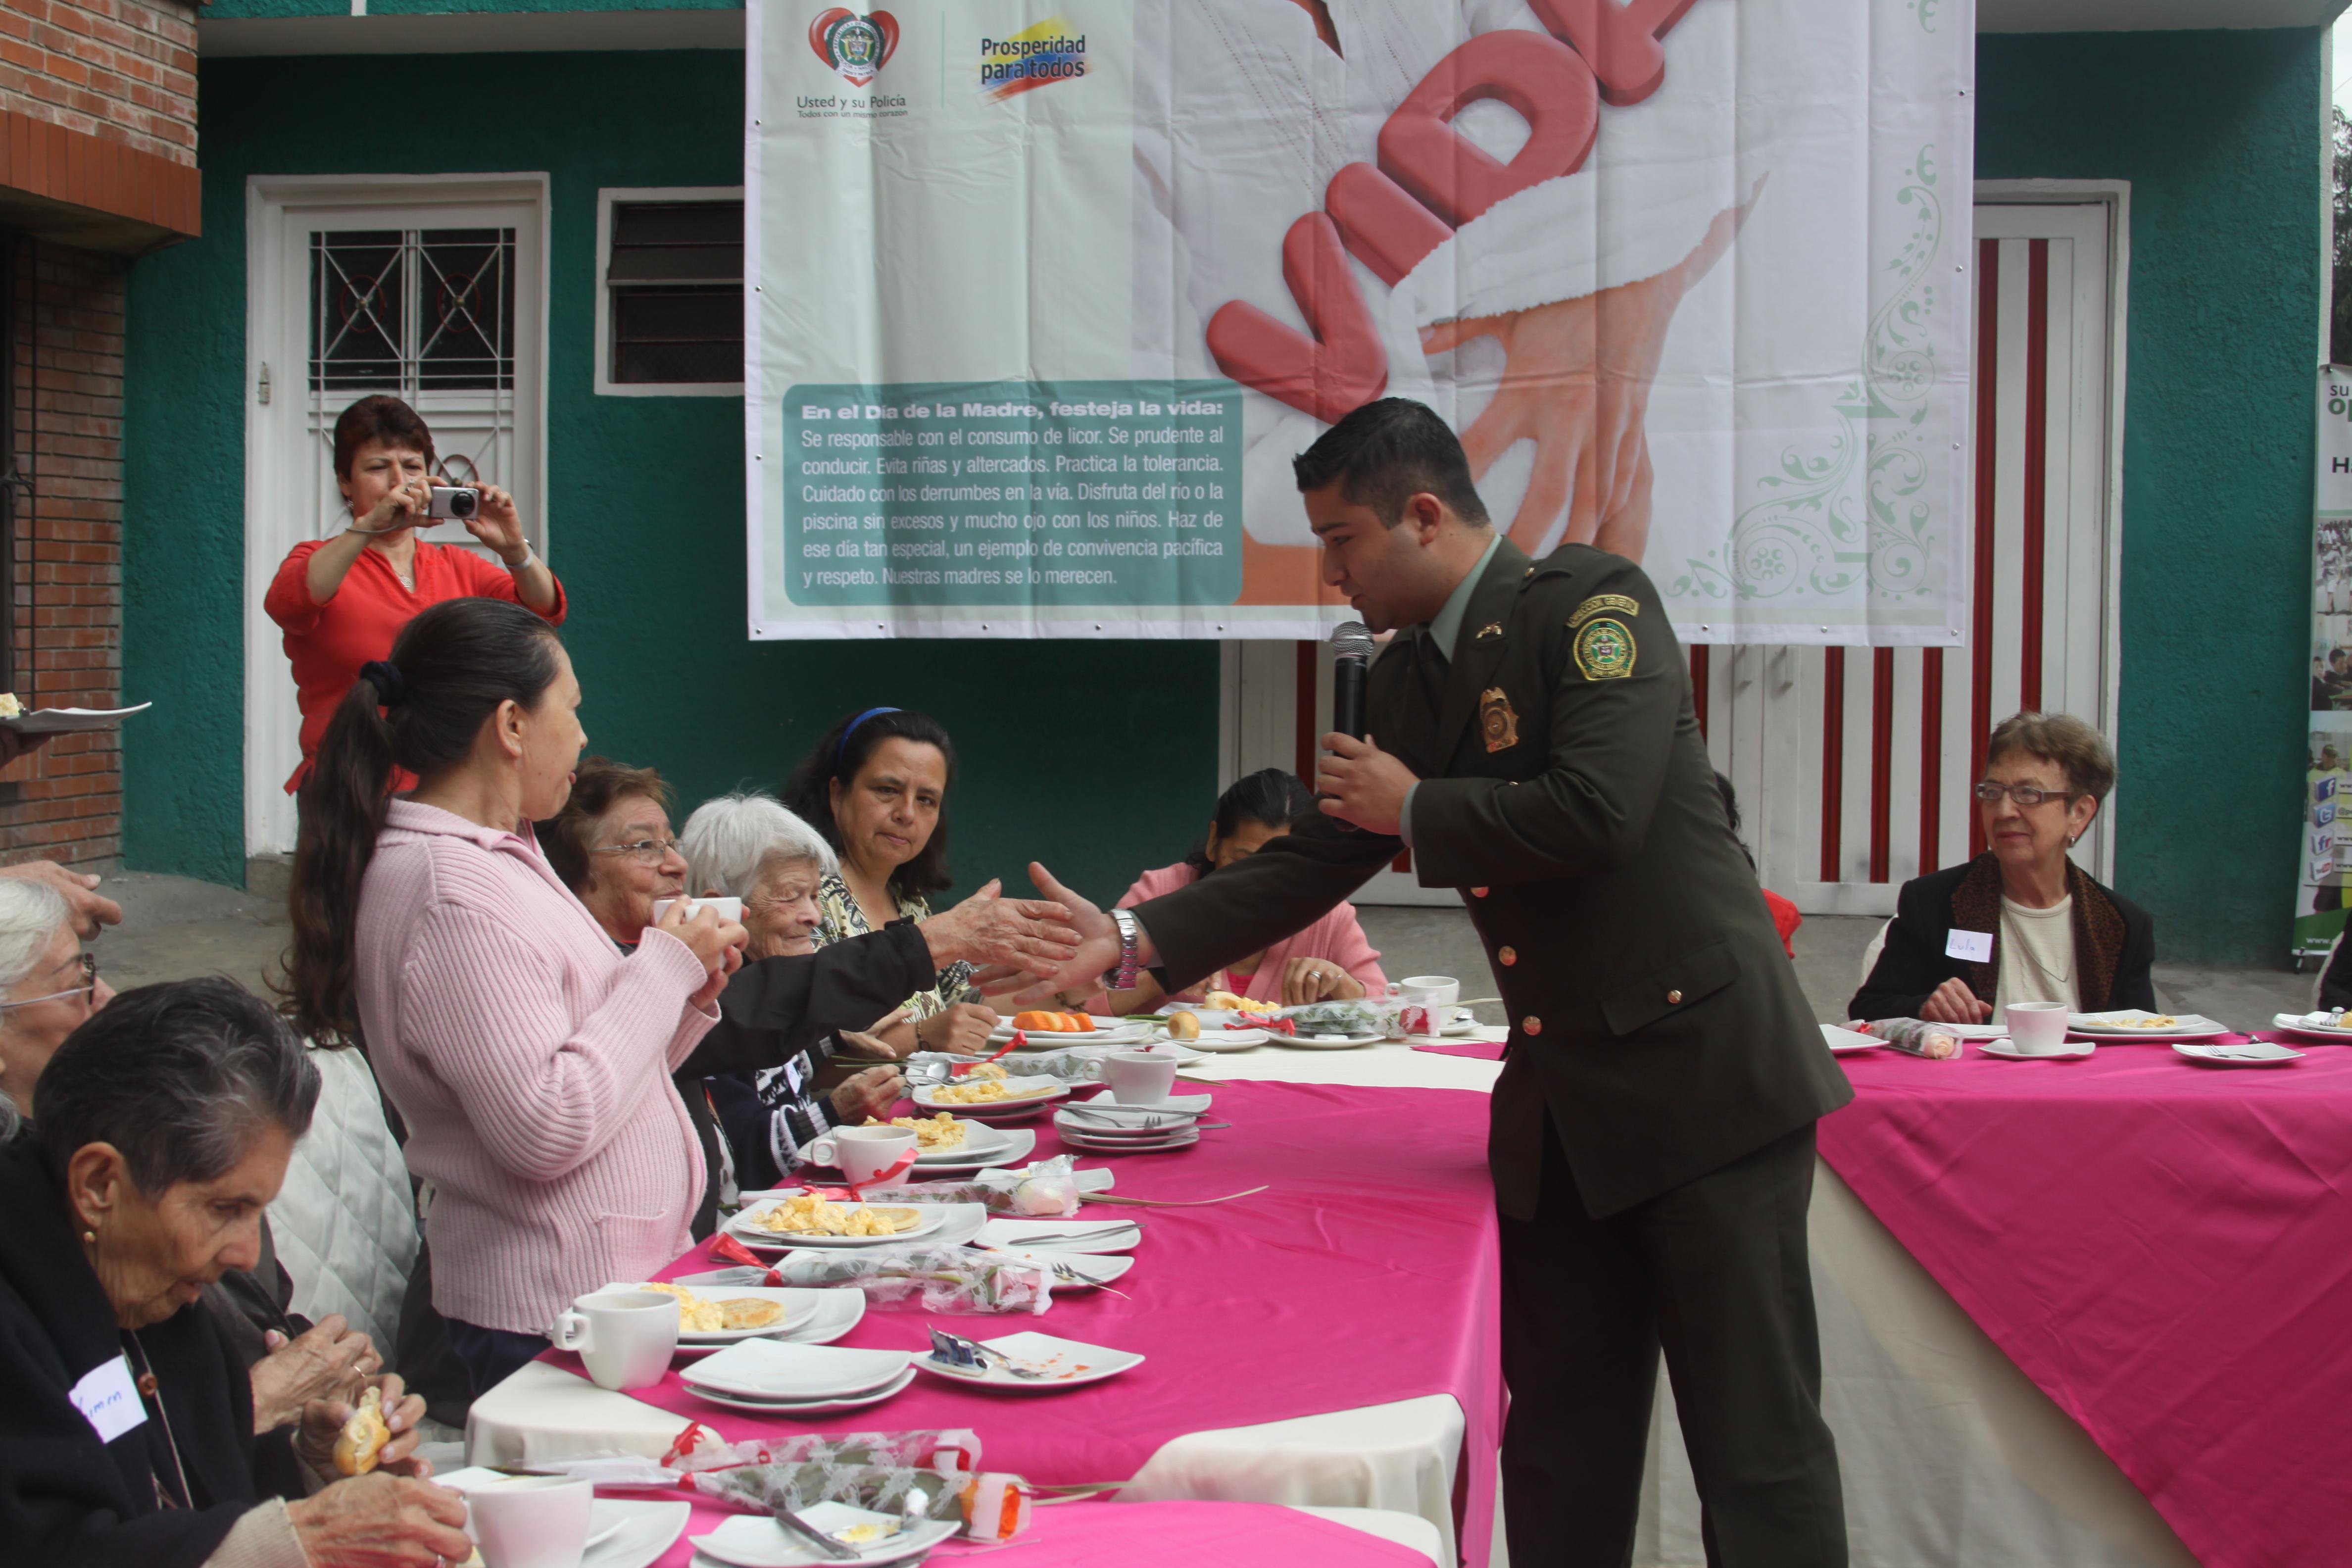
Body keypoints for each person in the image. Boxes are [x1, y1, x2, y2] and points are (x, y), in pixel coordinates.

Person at [1005, 399, 1852, 1567]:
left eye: (1341, 538)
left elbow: (1597, 810)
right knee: (1561, 1437)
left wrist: (1411, 805)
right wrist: (1133, 935)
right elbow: (1317, 854)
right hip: (1566, 1108)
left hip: (1702, 1083)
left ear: (1419, 514)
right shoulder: (1410, 681)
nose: (1328, 570)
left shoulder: (1592, 607)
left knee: (1751, 1446)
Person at [280, 597, 746, 1399]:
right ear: (511, 724)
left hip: (598, 1295)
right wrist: (662, 969)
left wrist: (683, 997)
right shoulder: (449, 887)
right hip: (538, 1316)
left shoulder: (503, 855)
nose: (584, 735)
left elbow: (595, 1081)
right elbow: (544, 1125)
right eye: (572, 708)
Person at [0, 976, 470, 1568]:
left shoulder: (165, 1304)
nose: (247, 1255)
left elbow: (199, 1491)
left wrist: (318, 1467)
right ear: (99, 1184)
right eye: (225, 1209)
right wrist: (296, 1539)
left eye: (258, 1211)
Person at [264, 395, 567, 792]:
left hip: (446, 787)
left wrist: (515, 549)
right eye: (377, 467)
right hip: (350, 787)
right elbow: (289, 603)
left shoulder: (456, 564)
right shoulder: (317, 559)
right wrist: (372, 523)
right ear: (345, 482)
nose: (398, 482)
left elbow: (543, 612)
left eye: (411, 467)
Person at [1851, 711, 2153, 1025]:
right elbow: (1869, 1010)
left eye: (2028, 794)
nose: (2005, 811)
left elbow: (2144, 1038)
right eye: (1993, 792)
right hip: (1966, 1073)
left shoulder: (2122, 924)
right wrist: (1924, 1007)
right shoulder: (1933, 903)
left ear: (2079, 812)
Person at [679, 790, 912, 1186]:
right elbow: (745, 1160)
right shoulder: (707, 1010)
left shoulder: (766, 977)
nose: (815, 916)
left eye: (816, 895)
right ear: (719, 907)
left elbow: (776, 1076)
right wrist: (837, 1111)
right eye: (791, 897)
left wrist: (830, 1040)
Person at [783, 708, 999, 1056]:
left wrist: (1056, 981)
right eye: (887, 790)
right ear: (837, 794)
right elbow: (794, 1053)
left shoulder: (908, 900)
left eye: (926, 800)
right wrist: (919, 1037)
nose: (907, 813)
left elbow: (965, 998)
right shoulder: (800, 899)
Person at [1094, 769, 1385, 1012]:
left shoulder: (1328, 914)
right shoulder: (1157, 896)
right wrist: (1168, 971)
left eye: (1282, 869)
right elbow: (1083, 1001)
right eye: (1242, 862)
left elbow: (1390, 1011)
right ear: (1214, 841)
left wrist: (1342, 984)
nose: (1260, 885)